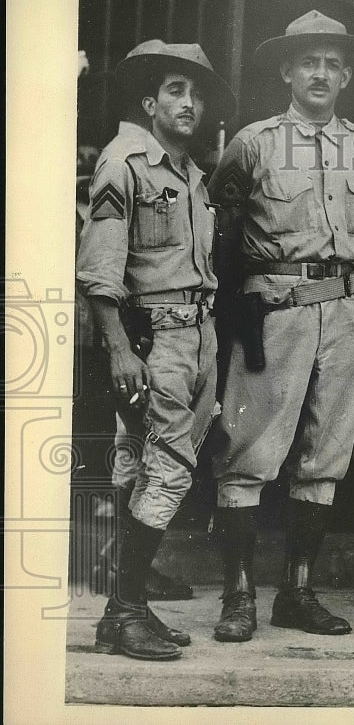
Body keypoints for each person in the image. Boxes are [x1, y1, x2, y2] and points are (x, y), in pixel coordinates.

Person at [208, 11, 354, 642]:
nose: (321, 73)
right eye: (309, 61)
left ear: (348, 75)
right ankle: (239, 595)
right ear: (286, 69)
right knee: (248, 454)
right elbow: (221, 242)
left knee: (325, 457)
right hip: (273, 311)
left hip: (346, 310)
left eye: (333, 63)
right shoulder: (252, 143)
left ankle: (297, 592)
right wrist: (235, 320)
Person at [76, 39, 235, 659]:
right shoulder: (125, 163)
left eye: (196, 93)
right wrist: (119, 350)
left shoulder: (191, 172)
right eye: (175, 90)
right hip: (151, 341)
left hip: (196, 337)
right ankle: (125, 608)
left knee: (143, 467)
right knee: (167, 469)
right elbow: (99, 272)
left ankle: (125, 612)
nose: (188, 102)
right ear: (149, 101)